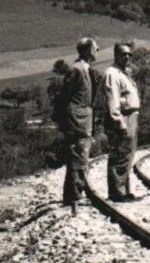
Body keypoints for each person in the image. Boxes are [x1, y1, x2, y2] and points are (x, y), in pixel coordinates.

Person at [56, 37, 99, 213]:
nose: (98, 50)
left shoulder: (86, 69)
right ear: (88, 50)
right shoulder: (76, 70)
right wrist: (69, 120)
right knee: (79, 157)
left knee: (79, 156)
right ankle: (74, 197)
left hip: (83, 118)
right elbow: (66, 98)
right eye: (95, 48)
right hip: (77, 120)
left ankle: (72, 196)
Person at [104, 42, 142, 202]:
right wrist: (118, 120)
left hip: (131, 115)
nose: (127, 57)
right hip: (123, 116)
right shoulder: (112, 73)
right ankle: (117, 193)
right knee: (121, 153)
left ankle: (125, 191)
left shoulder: (125, 73)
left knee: (127, 154)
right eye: (123, 54)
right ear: (116, 55)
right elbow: (112, 99)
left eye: (129, 54)